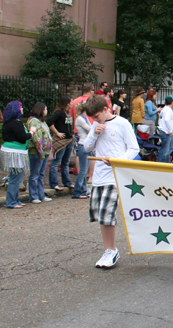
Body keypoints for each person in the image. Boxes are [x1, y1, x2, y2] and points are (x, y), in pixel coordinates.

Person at [82, 94, 139, 269]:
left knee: (107, 212)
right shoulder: (95, 125)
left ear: (106, 109)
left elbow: (134, 148)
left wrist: (118, 161)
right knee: (101, 214)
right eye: (92, 118)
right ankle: (109, 249)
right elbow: (87, 147)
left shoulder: (122, 123)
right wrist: (94, 133)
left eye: (97, 116)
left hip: (115, 176)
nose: (95, 119)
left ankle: (111, 250)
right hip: (99, 176)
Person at [0, 101, 32, 209]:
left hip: (14, 151)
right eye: (20, 107)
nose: (22, 109)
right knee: (15, 177)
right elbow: (22, 136)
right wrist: (31, 133)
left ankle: (15, 200)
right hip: (15, 152)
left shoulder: (10, 122)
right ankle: (11, 202)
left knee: (17, 176)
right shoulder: (15, 123)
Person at [46, 96, 75, 192]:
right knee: (56, 162)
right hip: (61, 141)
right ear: (67, 103)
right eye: (71, 102)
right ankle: (54, 183)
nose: (72, 104)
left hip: (69, 140)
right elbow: (49, 121)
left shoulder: (68, 114)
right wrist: (57, 132)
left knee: (66, 162)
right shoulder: (59, 113)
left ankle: (66, 181)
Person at [26, 103, 53, 204]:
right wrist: (40, 150)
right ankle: (34, 196)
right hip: (37, 151)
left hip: (44, 150)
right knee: (35, 174)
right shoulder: (34, 121)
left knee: (40, 174)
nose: (46, 111)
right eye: (45, 109)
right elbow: (36, 137)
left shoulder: (41, 121)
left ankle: (41, 194)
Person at [72, 102, 92, 199]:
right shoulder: (80, 119)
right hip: (82, 144)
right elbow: (90, 129)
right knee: (83, 171)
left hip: (86, 145)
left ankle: (83, 191)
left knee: (84, 170)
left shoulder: (85, 118)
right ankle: (77, 192)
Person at [157, 95, 173, 162]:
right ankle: (162, 164)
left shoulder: (164, 109)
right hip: (166, 132)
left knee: (165, 149)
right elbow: (167, 120)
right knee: (165, 151)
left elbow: (160, 119)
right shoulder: (168, 110)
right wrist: (170, 130)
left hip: (163, 130)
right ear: (172, 102)